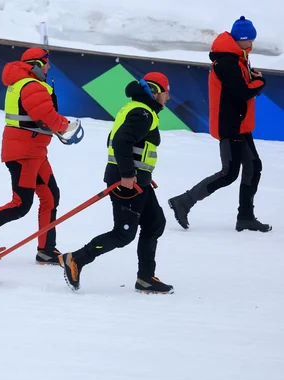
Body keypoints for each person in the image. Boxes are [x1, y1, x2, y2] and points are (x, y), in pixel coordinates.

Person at [0, 47, 84, 265]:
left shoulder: (23, 82)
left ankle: (46, 250)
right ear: (37, 64)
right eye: (46, 63)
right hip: (25, 153)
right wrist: (65, 125)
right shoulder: (32, 85)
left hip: (34, 150)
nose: (49, 67)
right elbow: (46, 115)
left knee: (50, 196)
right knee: (20, 205)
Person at [60, 72, 174, 294]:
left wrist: (138, 172)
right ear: (154, 91)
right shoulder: (142, 113)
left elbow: (123, 141)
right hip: (127, 182)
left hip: (138, 180)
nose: (168, 96)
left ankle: (145, 277)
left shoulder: (140, 109)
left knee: (155, 224)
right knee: (123, 234)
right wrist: (128, 173)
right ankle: (76, 259)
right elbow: (121, 141)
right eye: (166, 91)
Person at [168, 16, 270, 233]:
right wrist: (259, 82)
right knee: (229, 173)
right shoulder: (227, 62)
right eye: (248, 40)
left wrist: (251, 78)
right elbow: (242, 92)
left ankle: (246, 216)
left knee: (254, 167)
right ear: (239, 39)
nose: (251, 44)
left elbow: (239, 86)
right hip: (230, 126)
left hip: (240, 125)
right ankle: (184, 201)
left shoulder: (237, 58)